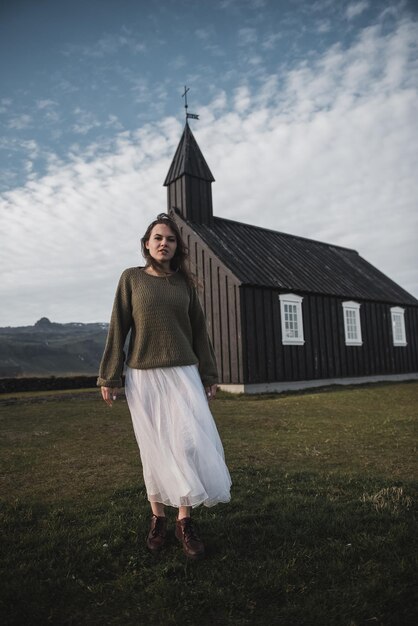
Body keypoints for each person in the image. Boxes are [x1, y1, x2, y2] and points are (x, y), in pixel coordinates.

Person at [97, 212, 231, 559]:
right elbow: (118, 327)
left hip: (184, 372)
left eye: (170, 239)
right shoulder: (132, 279)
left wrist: (209, 375)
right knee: (153, 447)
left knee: (186, 444)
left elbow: (200, 332)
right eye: (158, 238)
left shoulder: (185, 285)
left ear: (177, 247)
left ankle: (184, 520)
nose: (164, 243)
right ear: (146, 244)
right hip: (143, 375)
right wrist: (109, 375)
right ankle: (158, 518)